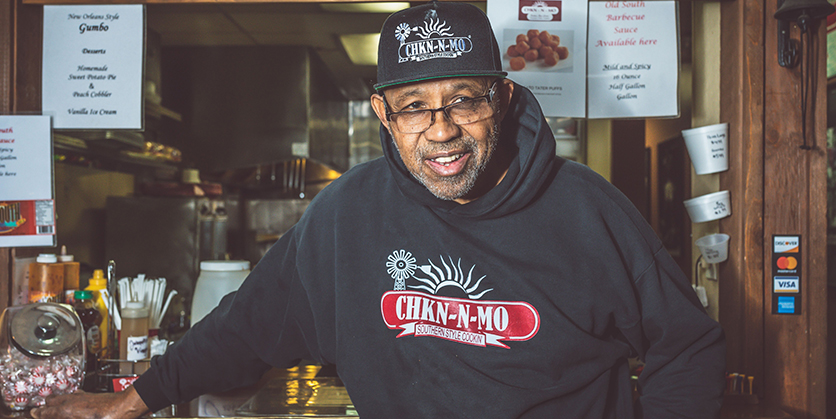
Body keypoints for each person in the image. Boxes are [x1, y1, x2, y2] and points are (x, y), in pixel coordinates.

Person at [32, 2, 726, 418]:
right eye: (415, 107)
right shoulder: (346, 214)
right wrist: (129, 401)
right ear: (384, 116)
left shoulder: (587, 209)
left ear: (504, 98)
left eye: (464, 100)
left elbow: (687, 345)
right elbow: (246, 326)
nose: (442, 129)